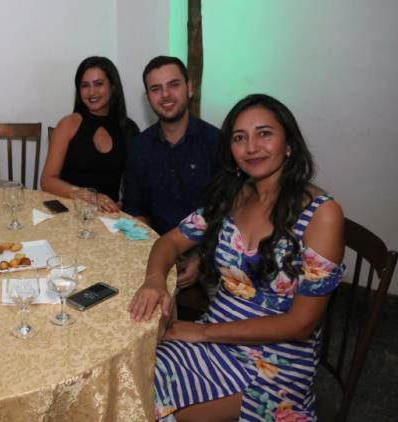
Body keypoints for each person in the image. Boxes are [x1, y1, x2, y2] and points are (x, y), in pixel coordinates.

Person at [128, 94, 344, 421]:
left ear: (289, 144)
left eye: (264, 133)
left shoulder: (321, 214)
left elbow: (301, 324)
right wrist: (154, 281)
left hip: (275, 363)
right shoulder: (234, 196)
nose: (251, 147)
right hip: (214, 334)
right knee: (129, 375)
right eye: (239, 138)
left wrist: (201, 332)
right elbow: (169, 242)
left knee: (143, 405)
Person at [122, 55, 220, 299]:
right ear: (148, 98)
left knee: (233, 309)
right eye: (156, 89)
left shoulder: (217, 143)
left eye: (173, 85)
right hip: (157, 250)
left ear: (189, 88)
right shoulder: (139, 147)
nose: (165, 95)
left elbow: (232, 214)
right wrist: (158, 255)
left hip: (212, 251)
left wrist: (203, 259)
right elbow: (135, 211)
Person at [41, 56, 139, 212]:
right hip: (69, 211)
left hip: (109, 215)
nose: (91, 92)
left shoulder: (129, 129)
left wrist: (124, 203)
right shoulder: (68, 124)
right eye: (85, 85)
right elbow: (47, 181)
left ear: (113, 86)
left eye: (99, 84)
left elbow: (136, 182)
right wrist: (88, 196)